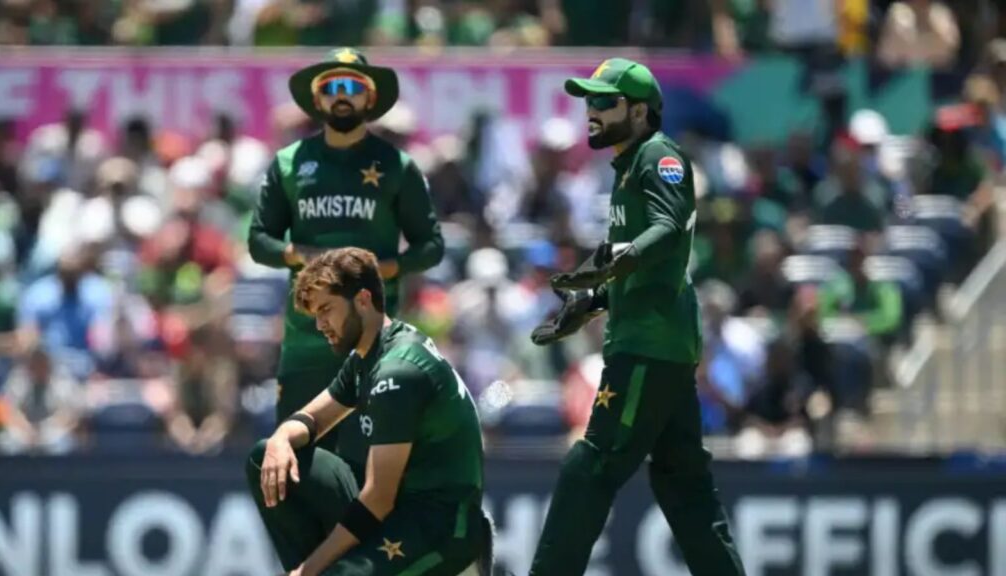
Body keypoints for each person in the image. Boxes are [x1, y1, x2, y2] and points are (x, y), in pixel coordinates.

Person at [528, 58, 746, 576]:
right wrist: (592, 301)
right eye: (589, 102)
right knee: (683, 482)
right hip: (656, 341)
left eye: (604, 102)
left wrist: (613, 265)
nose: (592, 112)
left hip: (647, 345)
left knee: (592, 464)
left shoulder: (659, 154)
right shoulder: (630, 166)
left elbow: (669, 230)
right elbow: (648, 261)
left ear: (640, 110)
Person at [248, 47, 445, 483]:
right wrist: (301, 256)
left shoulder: (397, 166)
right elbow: (258, 242)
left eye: (353, 87)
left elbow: (431, 246)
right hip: (305, 342)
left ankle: (364, 555)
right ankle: (308, 556)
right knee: (296, 473)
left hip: (373, 345)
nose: (342, 96)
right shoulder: (289, 163)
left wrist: (381, 268)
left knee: (368, 476)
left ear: (369, 100)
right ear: (316, 100)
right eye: (331, 87)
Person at [245, 248, 486, 575]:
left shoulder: (397, 373)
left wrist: (307, 570)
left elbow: (378, 497)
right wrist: (281, 439)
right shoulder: (367, 356)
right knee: (266, 458)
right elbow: (312, 419)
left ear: (362, 300)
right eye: (316, 314)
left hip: (440, 525)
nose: (320, 325)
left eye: (326, 309)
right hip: (399, 507)